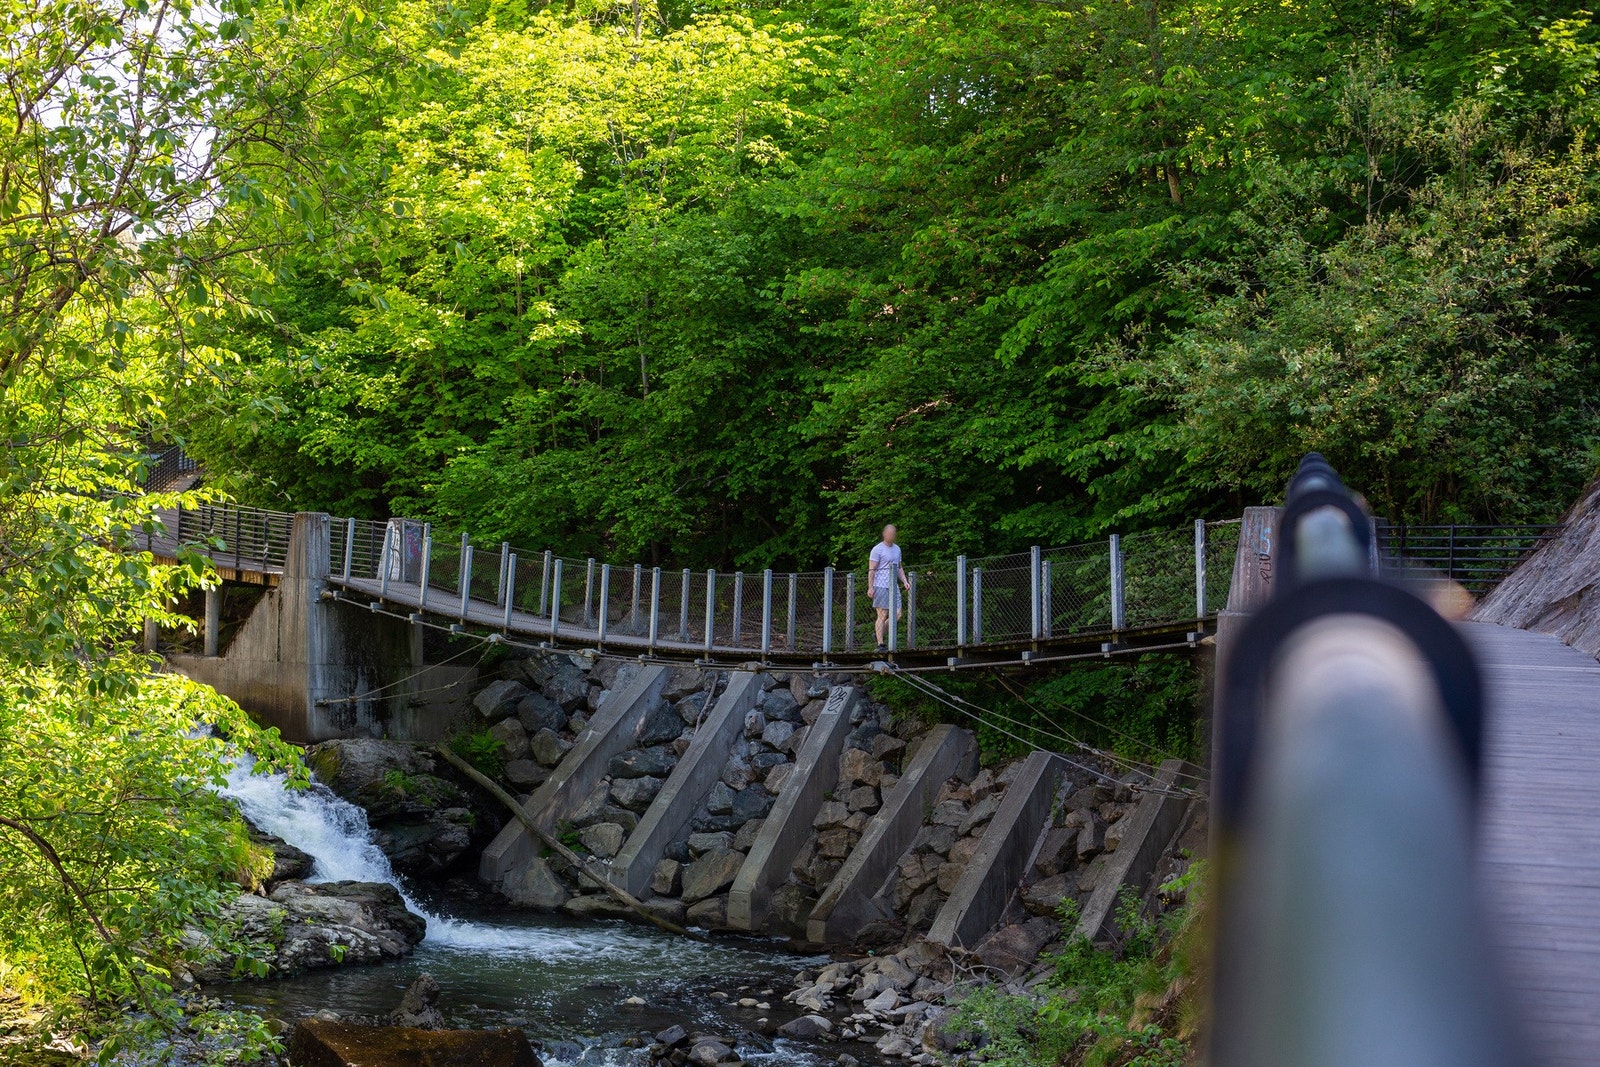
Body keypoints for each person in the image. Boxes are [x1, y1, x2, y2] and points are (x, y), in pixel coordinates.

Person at [868, 525, 912, 652]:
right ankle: (880, 644)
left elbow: (899, 567)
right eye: (889, 533)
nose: (891, 535)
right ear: (884, 534)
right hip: (880, 585)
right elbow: (871, 569)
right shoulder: (877, 549)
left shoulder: (897, 549)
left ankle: (878, 633)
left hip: (894, 586)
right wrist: (870, 587)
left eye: (893, 533)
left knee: (898, 614)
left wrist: (905, 581)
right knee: (882, 614)